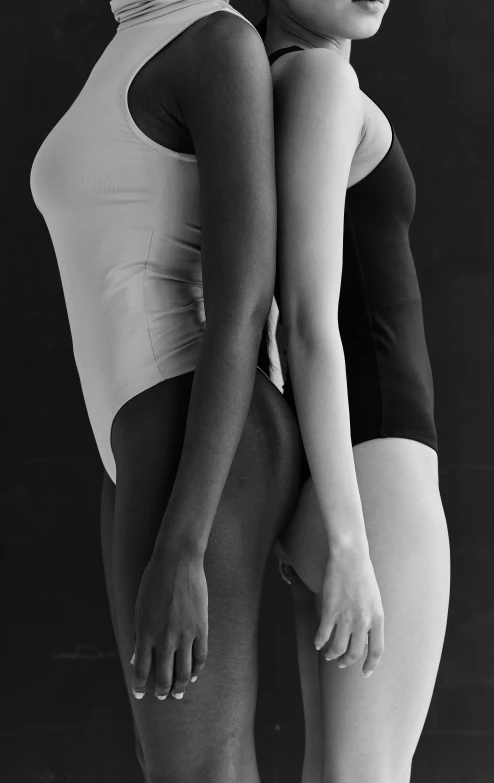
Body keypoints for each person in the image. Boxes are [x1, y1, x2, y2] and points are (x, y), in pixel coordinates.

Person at [29, 1, 302, 781]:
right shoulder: (128, 42)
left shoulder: (216, 41)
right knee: (176, 767)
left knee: (199, 773)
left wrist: (184, 543)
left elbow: (244, 304)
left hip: (197, 436)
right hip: (140, 441)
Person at [261, 1, 452, 781]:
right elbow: (305, 321)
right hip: (376, 479)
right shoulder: (319, 81)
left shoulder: (265, 84)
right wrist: (348, 538)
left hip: (336, 470)